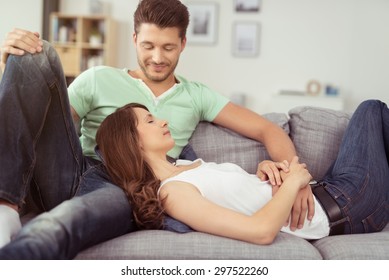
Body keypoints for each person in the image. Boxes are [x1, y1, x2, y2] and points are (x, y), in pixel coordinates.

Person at [0, 0, 309, 259]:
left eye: (168, 47)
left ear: (183, 44)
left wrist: (298, 181)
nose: (157, 58)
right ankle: (5, 209)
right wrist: (10, 71)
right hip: (72, 168)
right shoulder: (97, 78)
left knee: (68, 220)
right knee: (36, 55)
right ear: (134, 39)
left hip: (126, 187)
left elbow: (269, 130)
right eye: (148, 45)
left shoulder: (197, 95)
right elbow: (42, 127)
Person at [95, 101, 389, 244]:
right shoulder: (173, 193)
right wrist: (295, 181)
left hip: (331, 190)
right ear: (132, 142)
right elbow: (260, 231)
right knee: (372, 110)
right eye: (149, 120)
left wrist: (263, 170)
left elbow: (240, 196)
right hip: (347, 205)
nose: (161, 121)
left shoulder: (182, 167)